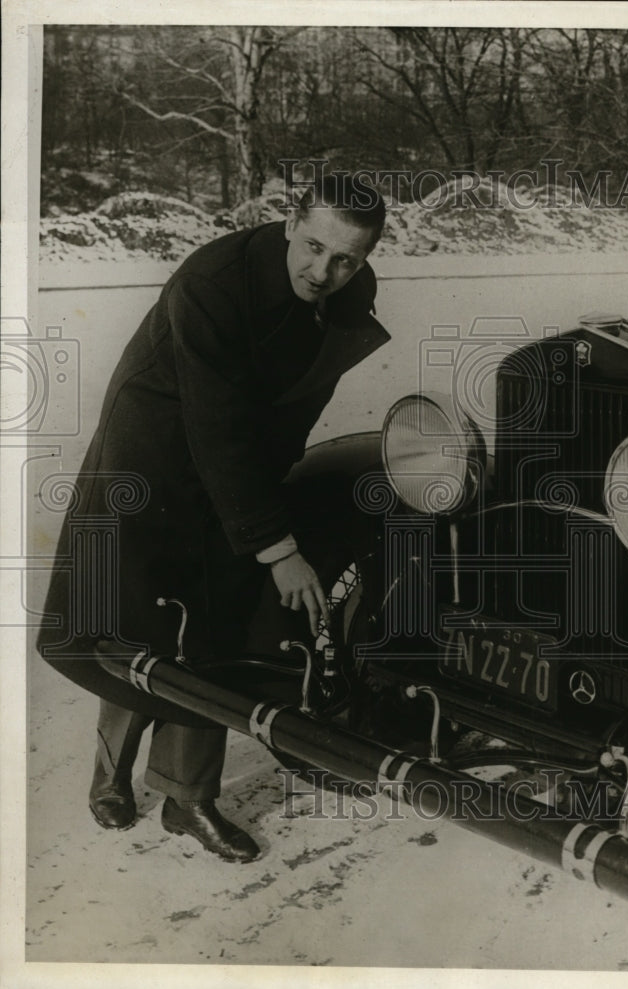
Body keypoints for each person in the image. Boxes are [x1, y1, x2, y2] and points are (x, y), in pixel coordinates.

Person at [36, 174, 389, 863]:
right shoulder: (215, 280)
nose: (325, 272)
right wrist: (274, 543)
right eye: (314, 247)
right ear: (290, 224)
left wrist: (262, 509)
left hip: (238, 467)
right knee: (141, 622)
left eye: (346, 259)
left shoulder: (348, 289)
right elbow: (214, 422)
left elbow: (277, 406)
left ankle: (185, 798)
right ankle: (110, 773)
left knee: (214, 632)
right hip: (155, 462)